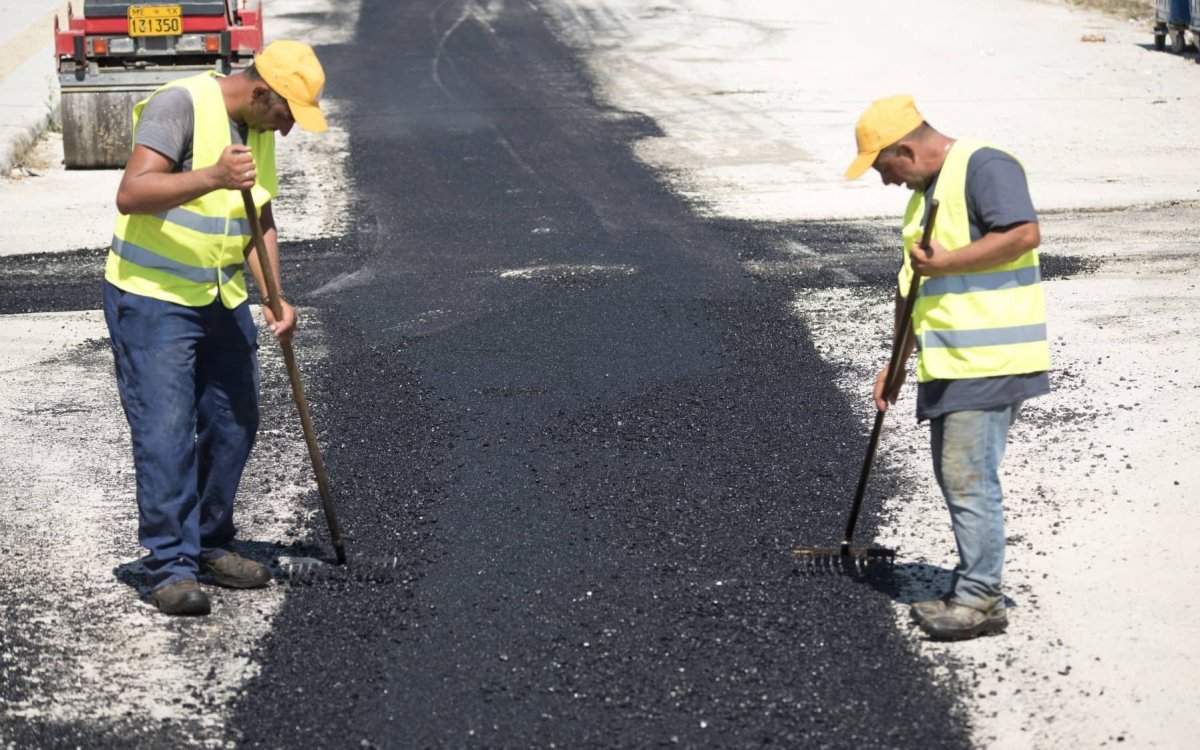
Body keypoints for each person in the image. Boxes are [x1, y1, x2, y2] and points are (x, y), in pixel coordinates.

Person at [103, 40, 328, 615]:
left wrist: (276, 296)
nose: (286, 132)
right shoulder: (180, 104)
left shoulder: (254, 128)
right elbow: (132, 193)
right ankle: (168, 565)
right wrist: (210, 176)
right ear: (260, 93)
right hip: (153, 299)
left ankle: (206, 540)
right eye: (284, 116)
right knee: (166, 431)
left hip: (220, 297)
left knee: (234, 421)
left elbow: (261, 217)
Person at [844, 95, 1050, 641]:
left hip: (990, 359)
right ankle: (974, 583)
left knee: (968, 476)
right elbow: (913, 286)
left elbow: (1024, 234)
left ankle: (981, 600)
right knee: (956, 475)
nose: (885, 182)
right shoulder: (924, 196)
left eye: (884, 168)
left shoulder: (985, 166)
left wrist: (946, 262)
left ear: (906, 149)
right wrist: (895, 364)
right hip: (952, 360)